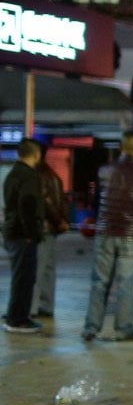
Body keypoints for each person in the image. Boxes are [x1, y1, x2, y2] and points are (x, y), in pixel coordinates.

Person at [83, 131, 133, 341]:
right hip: (132, 233)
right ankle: (123, 328)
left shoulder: (104, 170)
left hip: (105, 231)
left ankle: (91, 327)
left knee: (99, 282)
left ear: (121, 148)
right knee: (126, 284)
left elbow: (95, 202)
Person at [4, 138, 45, 333]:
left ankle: (14, 315)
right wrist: (31, 233)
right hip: (23, 235)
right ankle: (18, 319)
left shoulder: (12, 174)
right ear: (37, 154)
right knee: (25, 278)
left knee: (19, 276)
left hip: (11, 231)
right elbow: (27, 204)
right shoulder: (30, 176)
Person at [31, 144, 70, 319]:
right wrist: (61, 221)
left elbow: (47, 202)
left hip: (44, 227)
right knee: (47, 268)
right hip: (51, 229)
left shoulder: (38, 175)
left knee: (37, 269)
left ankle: (31, 308)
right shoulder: (52, 174)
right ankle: (46, 305)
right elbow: (61, 202)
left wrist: (58, 220)